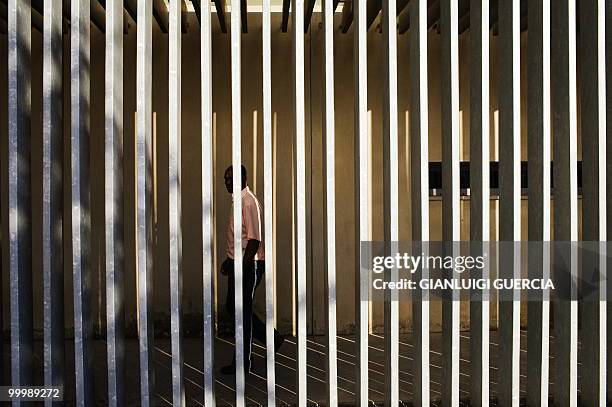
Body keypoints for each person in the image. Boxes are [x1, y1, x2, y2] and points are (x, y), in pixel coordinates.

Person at [220, 164, 284, 375]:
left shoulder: (249, 203)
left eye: (232, 178)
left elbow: (254, 242)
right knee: (233, 306)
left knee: (241, 312)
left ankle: (244, 362)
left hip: (251, 265)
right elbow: (240, 238)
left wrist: (239, 268)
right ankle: (272, 339)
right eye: (226, 179)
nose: (228, 182)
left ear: (244, 178)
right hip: (239, 263)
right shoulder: (237, 201)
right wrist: (229, 261)